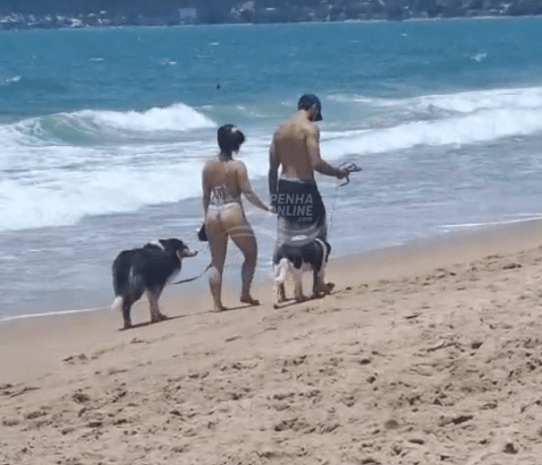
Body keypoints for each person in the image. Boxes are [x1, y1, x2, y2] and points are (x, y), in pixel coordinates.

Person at [268, 93, 348, 293]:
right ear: (314, 108)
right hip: (304, 187)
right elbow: (316, 163)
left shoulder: (279, 130)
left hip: (284, 187)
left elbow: (272, 169)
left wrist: (273, 197)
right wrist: (337, 172)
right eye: (316, 113)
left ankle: (280, 288)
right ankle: (318, 283)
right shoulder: (309, 129)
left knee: (283, 239)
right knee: (319, 235)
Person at [202, 124, 271, 312]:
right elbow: (248, 193)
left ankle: (217, 304)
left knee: (216, 262)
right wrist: (265, 207)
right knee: (251, 253)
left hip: (212, 212)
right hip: (232, 210)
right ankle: (245, 293)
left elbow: (206, 196)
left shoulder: (208, 166)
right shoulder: (237, 166)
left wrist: (205, 220)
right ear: (235, 145)